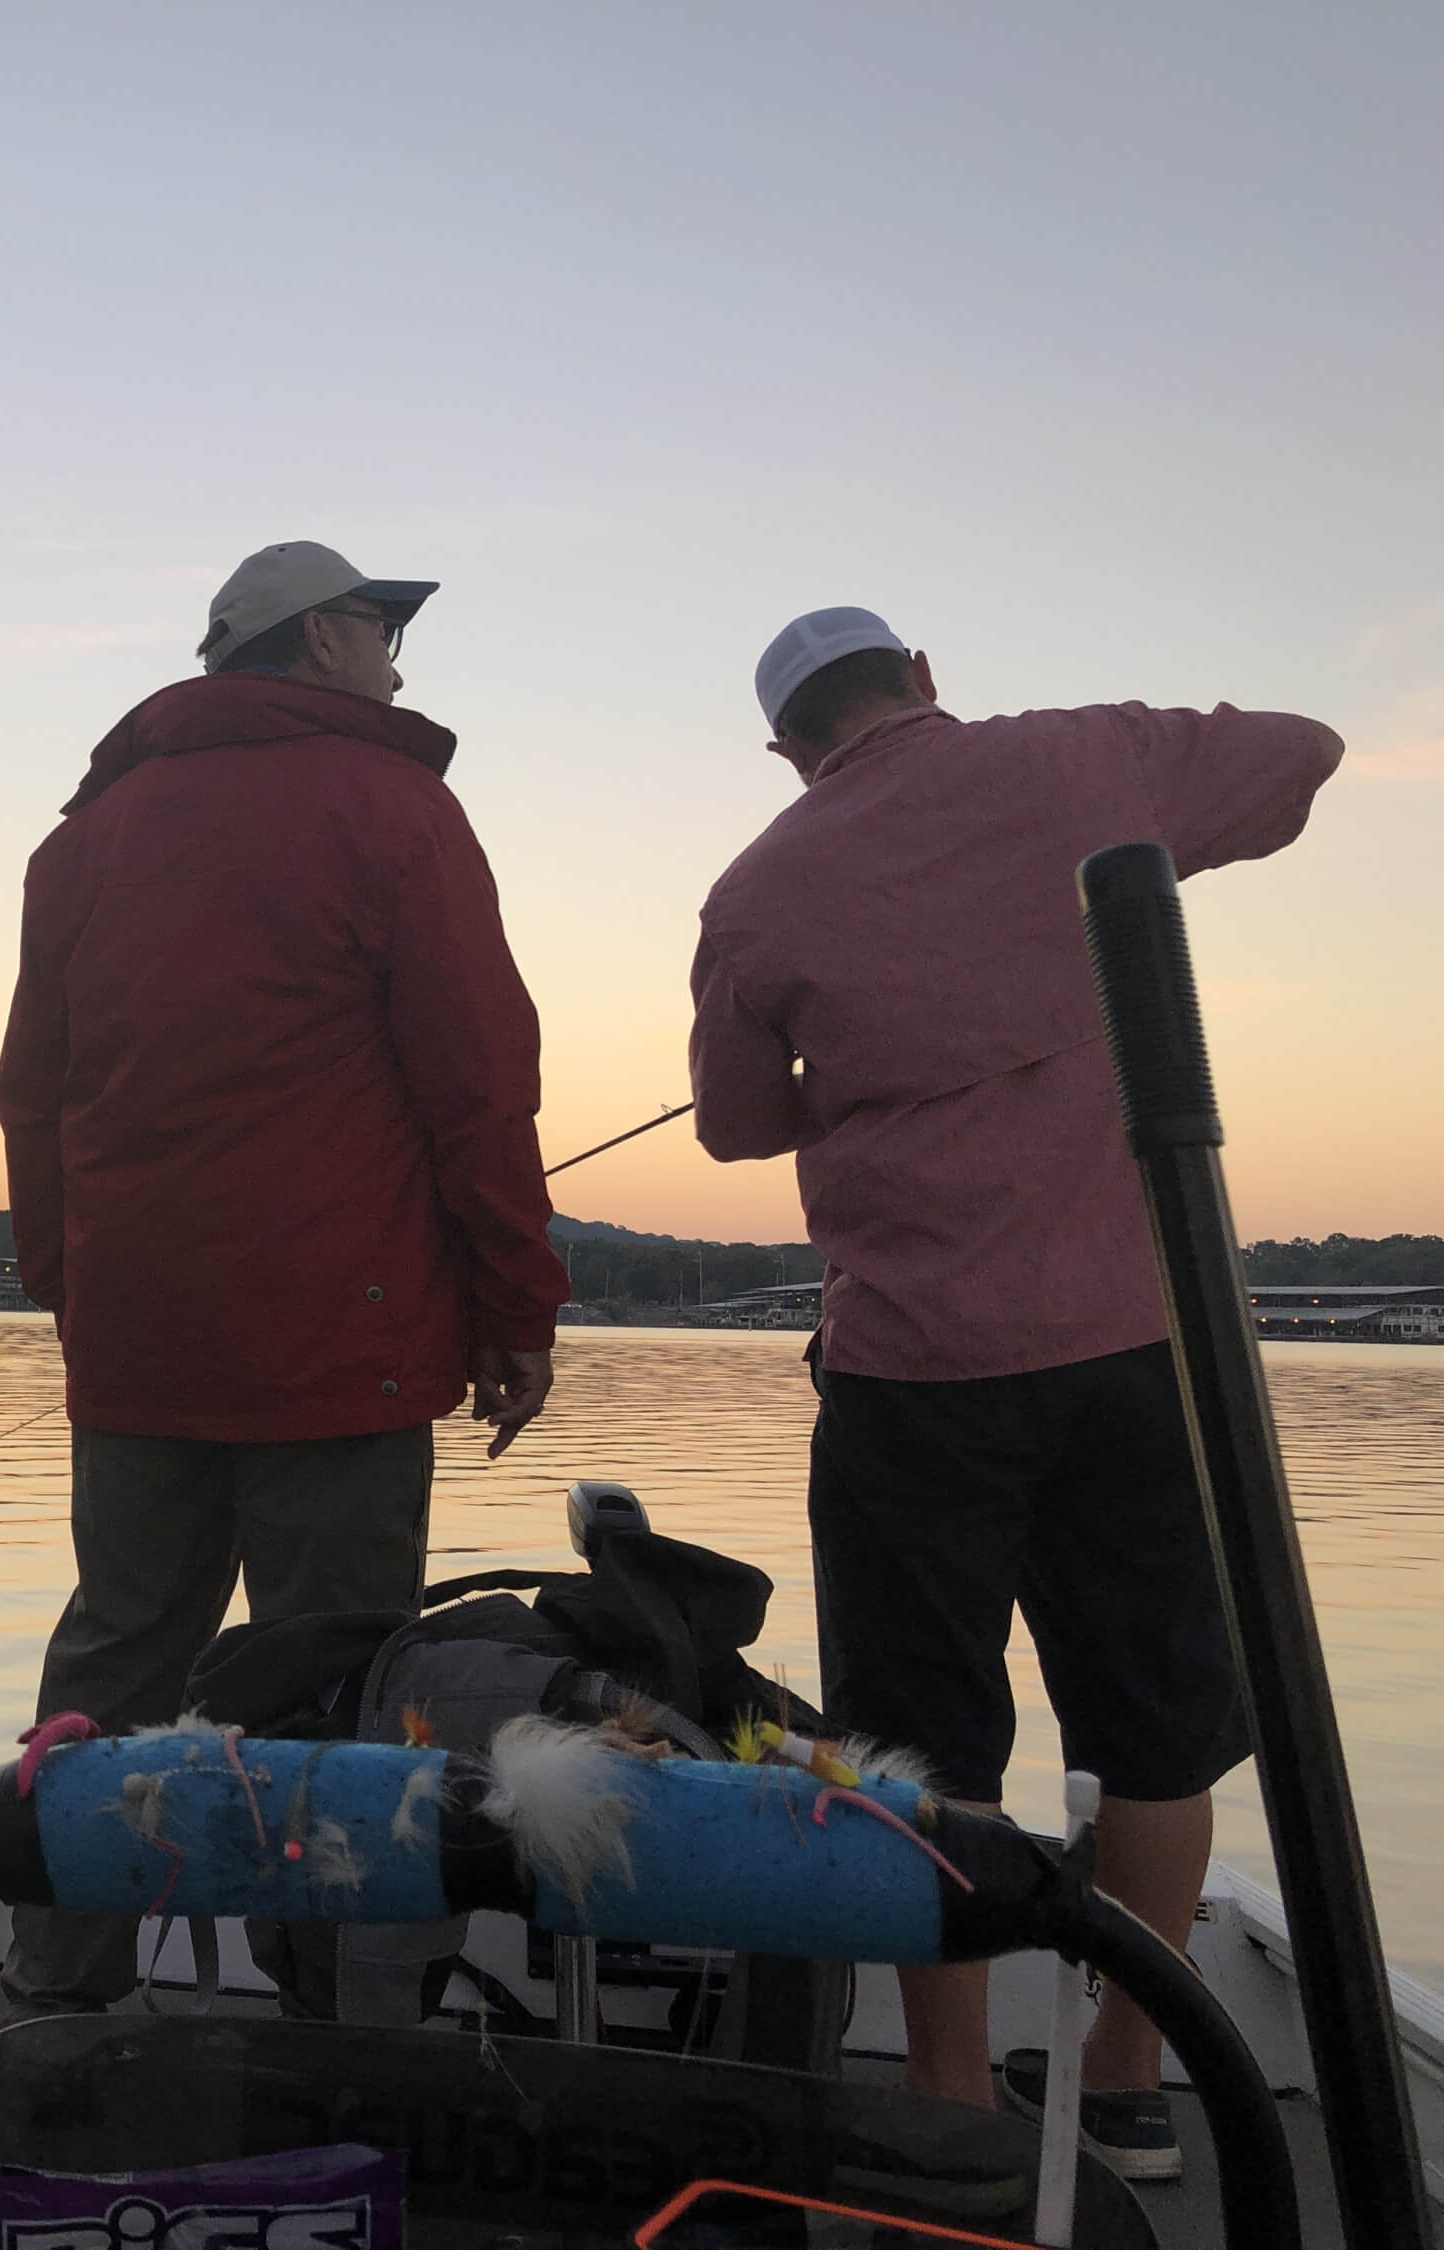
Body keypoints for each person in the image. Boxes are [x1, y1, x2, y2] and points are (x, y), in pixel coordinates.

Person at [690, 605, 1343, 2174]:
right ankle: (1128, 2082)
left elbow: (728, 1125)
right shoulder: (1093, 758)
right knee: (1157, 1732)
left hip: (916, 1376)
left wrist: (857, 1068)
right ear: (922, 676)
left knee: (918, 1752)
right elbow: (1306, 754)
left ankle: (954, 2101)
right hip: (1138, 1349)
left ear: (785, 744)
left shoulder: (759, 888)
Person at [0, 540, 571, 2012]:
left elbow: (32, 1092)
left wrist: (72, 1284)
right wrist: (516, 1306)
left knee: (116, 1657)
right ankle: (328, 2003)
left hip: (136, 1348)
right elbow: (480, 1081)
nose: (394, 658)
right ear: (319, 636)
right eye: (382, 630)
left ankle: (57, 1979)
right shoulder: (393, 806)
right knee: (330, 1681)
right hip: (339, 1349)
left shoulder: (81, 841)